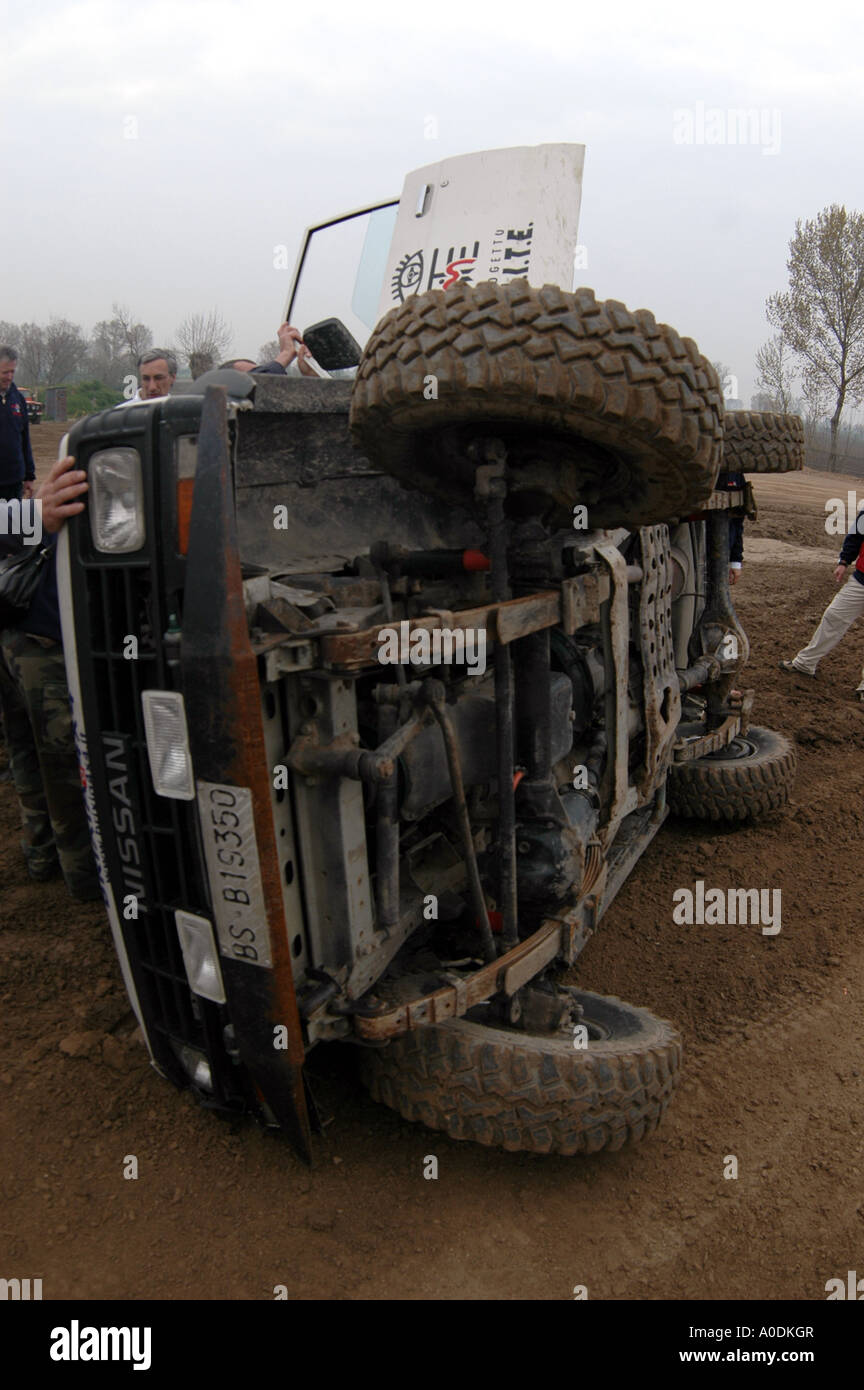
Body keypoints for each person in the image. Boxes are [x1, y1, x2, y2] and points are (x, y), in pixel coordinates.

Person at [0, 455, 99, 897]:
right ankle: (83, 880)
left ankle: (40, 854)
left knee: (27, 754)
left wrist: (31, 514)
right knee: (61, 770)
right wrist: (34, 513)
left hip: (15, 635)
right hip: (38, 647)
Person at [779, 500, 864, 699]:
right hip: (861, 579)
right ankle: (805, 664)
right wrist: (844, 561)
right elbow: (856, 536)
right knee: (834, 616)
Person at [0, 347, 36, 502]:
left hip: (14, 482)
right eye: (5, 372)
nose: (9, 377)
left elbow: (24, 439)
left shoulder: (18, 399)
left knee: (14, 526)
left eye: (12, 372)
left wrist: (29, 475)